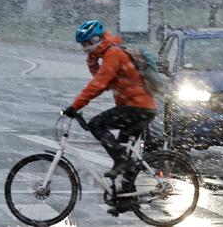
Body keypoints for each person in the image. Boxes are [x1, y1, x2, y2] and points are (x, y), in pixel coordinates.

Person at [61, 20, 157, 210]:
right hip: (141, 108)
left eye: (85, 44)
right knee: (124, 149)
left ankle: (122, 161)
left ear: (96, 40)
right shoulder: (109, 53)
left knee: (97, 124)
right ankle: (126, 199)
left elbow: (99, 84)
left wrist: (75, 106)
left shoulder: (114, 53)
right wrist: (92, 60)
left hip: (136, 108)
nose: (83, 48)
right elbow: (102, 77)